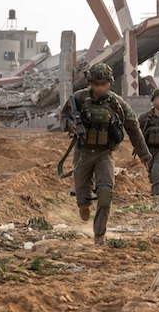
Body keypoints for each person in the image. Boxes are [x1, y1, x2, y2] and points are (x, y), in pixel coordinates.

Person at [60, 63, 152, 245]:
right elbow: (63, 117)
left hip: (104, 154)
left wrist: (145, 155)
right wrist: (70, 125)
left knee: (105, 194)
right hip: (83, 153)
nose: (99, 87)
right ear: (90, 83)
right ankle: (83, 204)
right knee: (82, 198)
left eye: (103, 84)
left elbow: (133, 127)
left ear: (109, 83)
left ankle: (99, 236)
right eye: (95, 84)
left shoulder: (116, 103)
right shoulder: (78, 98)